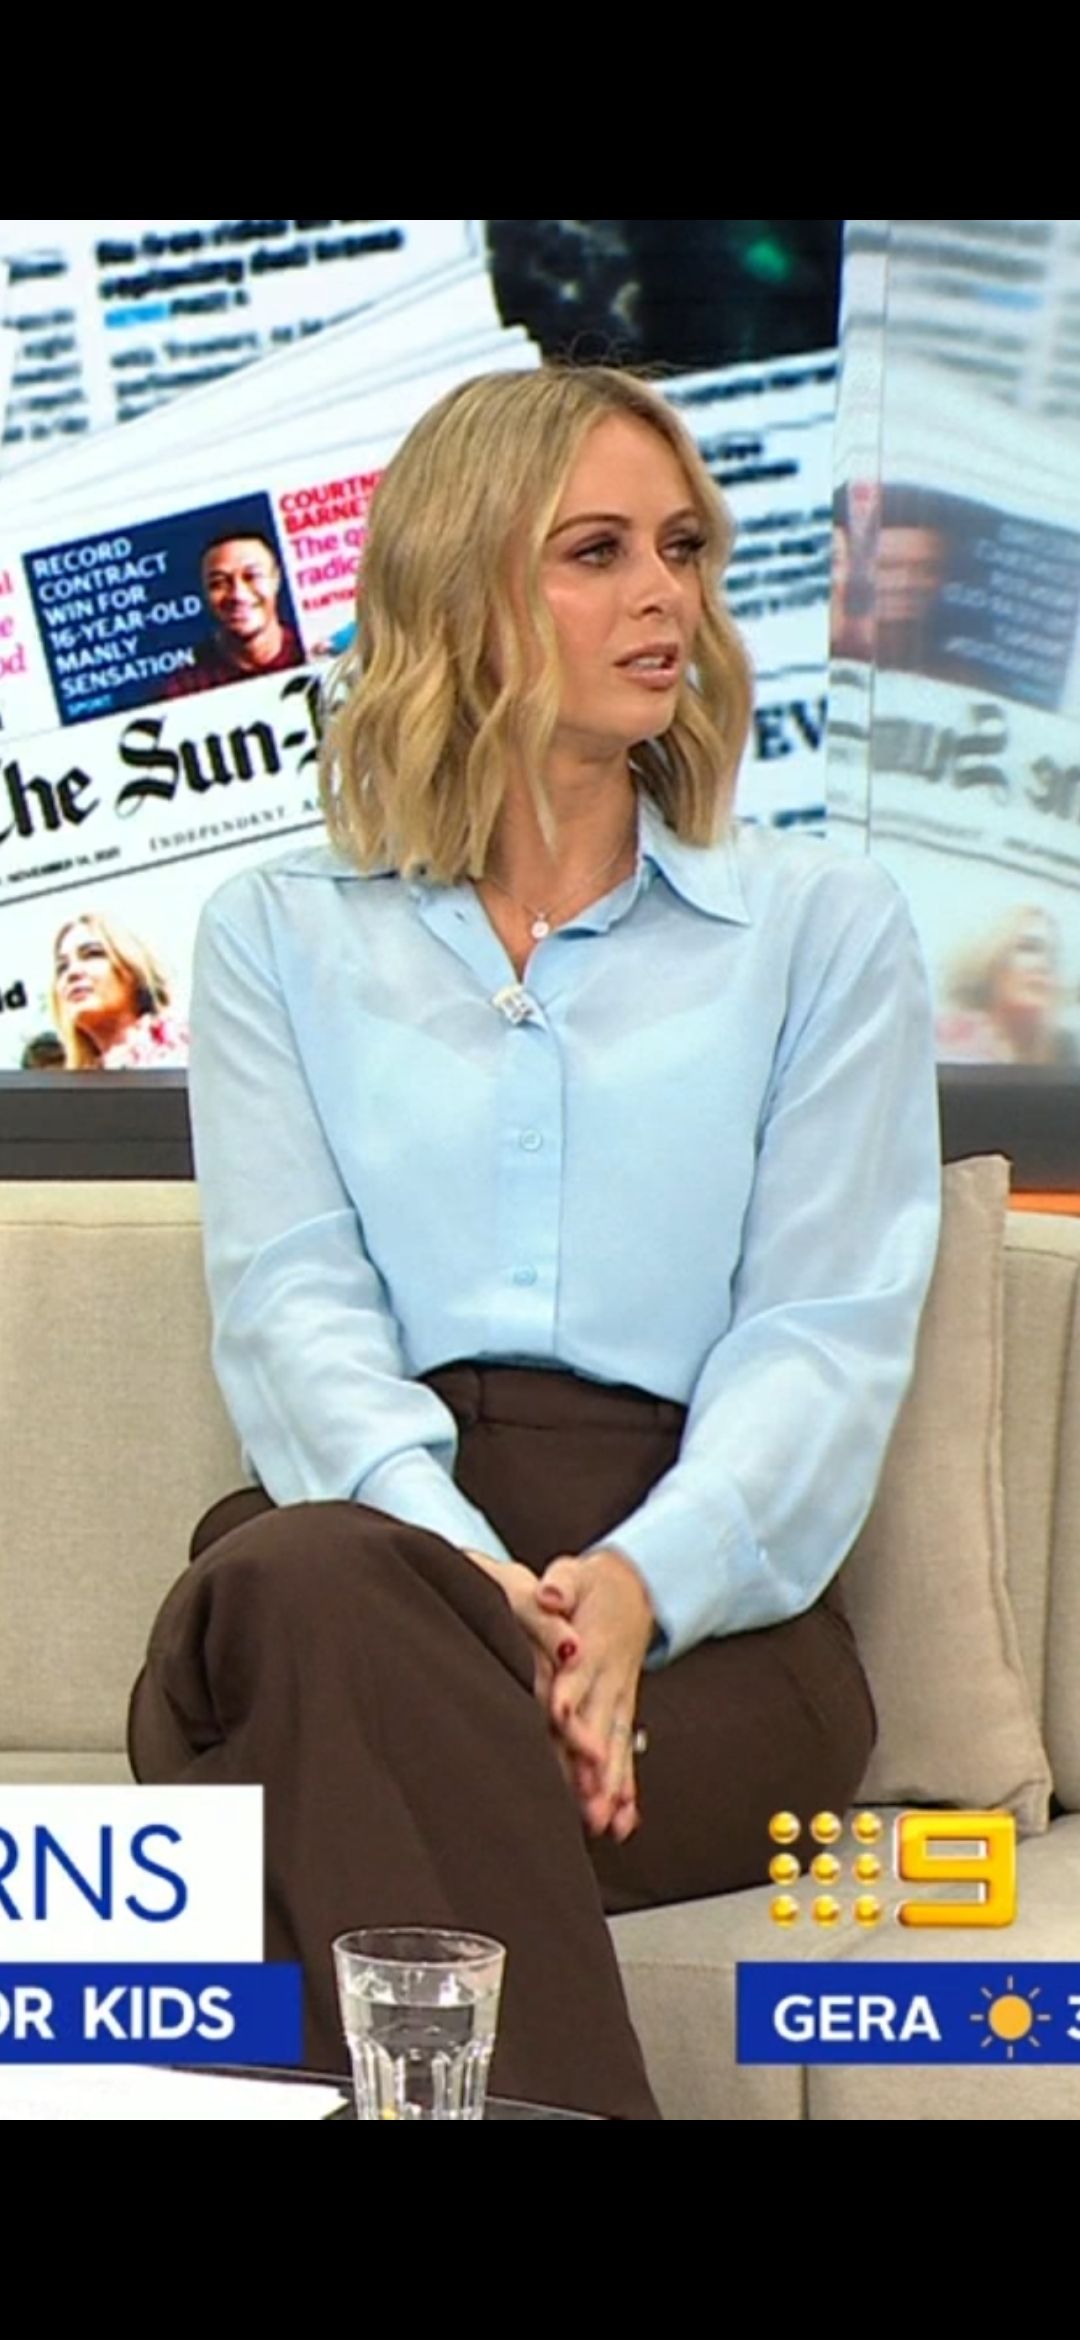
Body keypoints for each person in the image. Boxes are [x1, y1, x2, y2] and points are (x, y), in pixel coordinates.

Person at [129, 365, 942, 2120]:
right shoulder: (276, 932)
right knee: (304, 1590)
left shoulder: (820, 927)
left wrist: (629, 1595)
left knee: (305, 1749)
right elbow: (291, 1305)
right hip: (369, 1559)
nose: (667, 597)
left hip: (705, 1634)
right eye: (598, 552)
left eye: (683, 549)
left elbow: (821, 1334)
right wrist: (478, 1597)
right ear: (461, 590)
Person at [163, 530, 304, 698]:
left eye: (252, 576)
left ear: (276, 579)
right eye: (219, 583)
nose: (238, 595)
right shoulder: (186, 689)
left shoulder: (311, 652)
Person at [936, 903, 1078, 1065]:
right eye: (1028, 948)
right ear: (991, 959)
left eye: (1052, 956)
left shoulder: (1066, 1052)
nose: (1044, 965)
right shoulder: (946, 1044)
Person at [51, 914, 189, 1069]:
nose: (72, 973)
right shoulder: (74, 1082)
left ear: (133, 969)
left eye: (92, 954)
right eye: (62, 967)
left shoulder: (190, 1048)